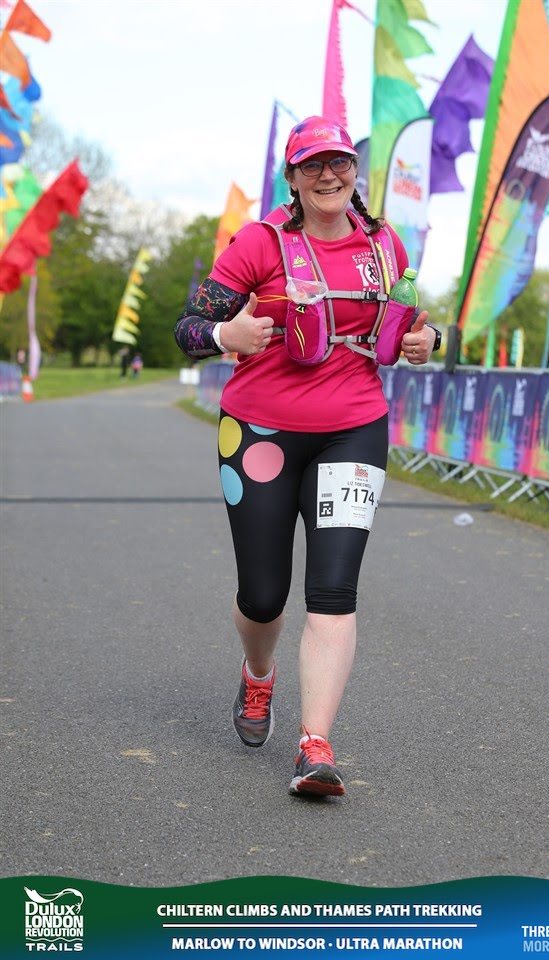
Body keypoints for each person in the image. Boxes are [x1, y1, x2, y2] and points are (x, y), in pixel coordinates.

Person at [174, 116, 440, 799]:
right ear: (292, 178)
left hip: (353, 430)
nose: (328, 175)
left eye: (339, 162)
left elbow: (407, 321)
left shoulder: (383, 245)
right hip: (258, 433)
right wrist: (225, 334)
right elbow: (188, 328)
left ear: (354, 171)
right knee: (263, 596)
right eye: (312, 164)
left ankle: (314, 746)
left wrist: (427, 338)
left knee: (333, 591)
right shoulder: (258, 242)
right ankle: (258, 675)